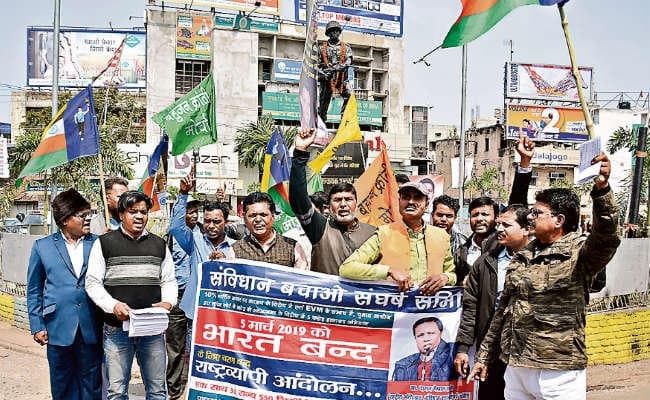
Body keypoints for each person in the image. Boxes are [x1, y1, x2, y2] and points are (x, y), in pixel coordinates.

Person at [468, 153, 621, 399]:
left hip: (557, 370)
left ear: (559, 220)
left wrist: (602, 189)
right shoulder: (523, 255)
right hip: (517, 366)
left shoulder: (579, 253)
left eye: (537, 213)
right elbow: (503, 311)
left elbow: (607, 236)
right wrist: (484, 356)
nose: (530, 216)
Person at [85, 191, 178, 400]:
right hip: (117, 329)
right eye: (133, 211)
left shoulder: (159, 244)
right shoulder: (105, 243)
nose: (139, 216)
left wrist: (168, 302)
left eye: (143, 212)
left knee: (157, 390)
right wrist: (112, 306)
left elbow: (169, 280)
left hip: (152, 330)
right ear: (121, 214)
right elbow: (92, 283)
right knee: (117, 391)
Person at [26, 189, 102, 400]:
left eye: (89, 214)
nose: (88, 219)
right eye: (82, 215)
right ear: (65, 220)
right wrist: (37, 325)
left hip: (91, 326)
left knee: (92, 385)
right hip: (57, 327)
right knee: (62, 386)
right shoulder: (42, 247)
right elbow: (34, 289)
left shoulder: (98, 244)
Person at [454, 204, 532, 399]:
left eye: (506, 225)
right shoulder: (485, 262)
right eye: (498, 224)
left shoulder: (543, 261)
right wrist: (463, 348)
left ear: (526, 229)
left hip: (528, 351)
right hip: (491, 350)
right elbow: (471, 309)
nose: (499, 229)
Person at [340, 181, 456, 293]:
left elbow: (452, 274)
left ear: (426, 204)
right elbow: (347, 268)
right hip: (394, 304)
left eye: (417, 198)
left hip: (429, 305)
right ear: (399, 201)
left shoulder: (442, 237)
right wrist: (388, 271)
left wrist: (445, 277)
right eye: (406, 197)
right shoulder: (384, 234)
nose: (411, 202)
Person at [289, 128, 376, 275]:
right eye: (337, 200)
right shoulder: (320, 228)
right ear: (329, 206)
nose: (343, 204)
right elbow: (298, 198)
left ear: (356, 203)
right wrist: (300, 152)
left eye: (348, 199)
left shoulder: (373, 233)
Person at [454, 132, 534, 285]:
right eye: (475, 215)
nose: (479, 219)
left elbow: (517, 202)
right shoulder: (461, 251)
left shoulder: (502, 243)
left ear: (497, 218)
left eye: (485, 214)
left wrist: (524, 161)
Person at [174, 173, 236, 324]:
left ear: (226, 222)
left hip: (224, 315)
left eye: (216, 221)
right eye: (207, 221)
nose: (211, 226)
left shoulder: (235, 247)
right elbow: (176, 227)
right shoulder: (195, 241)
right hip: (196, 314)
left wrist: (227, 262)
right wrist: (183, 193)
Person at [165, 194, 202, 400]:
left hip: (197, 295)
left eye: (196, 211)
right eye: (189, 212)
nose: (194, 215)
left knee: (195, 343)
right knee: (175, 345)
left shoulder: (203, 235)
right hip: (177, 296)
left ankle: (193, 386)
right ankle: (173, 389)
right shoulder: (174, 236)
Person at [233, 192, 308, 269]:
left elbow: (301, 275)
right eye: (253, 215)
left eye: (263, 215)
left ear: (273, 216)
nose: (258, 219)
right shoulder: (234, 250)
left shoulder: (293, 247)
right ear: (245, 218)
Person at [393, 317, 454, 382]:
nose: (426, 339)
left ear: (440, 333)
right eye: (420, 335)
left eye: (430, 333)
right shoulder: (402, 365)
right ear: (415, 338)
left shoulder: (454, 352)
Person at [318, 20, 352, 123]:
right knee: (323, 102)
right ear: (328, 33)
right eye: (332, 31)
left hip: (341, 79)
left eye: (337, 31)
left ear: (339, 32)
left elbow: (349, 61)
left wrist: (338, 67)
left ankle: (344, 118)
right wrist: (323, 73)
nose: (334, 33)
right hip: (327, 79)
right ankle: (321, 122)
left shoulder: (346, 47)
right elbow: (316, 64)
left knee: (349, 96)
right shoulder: (321, 48)